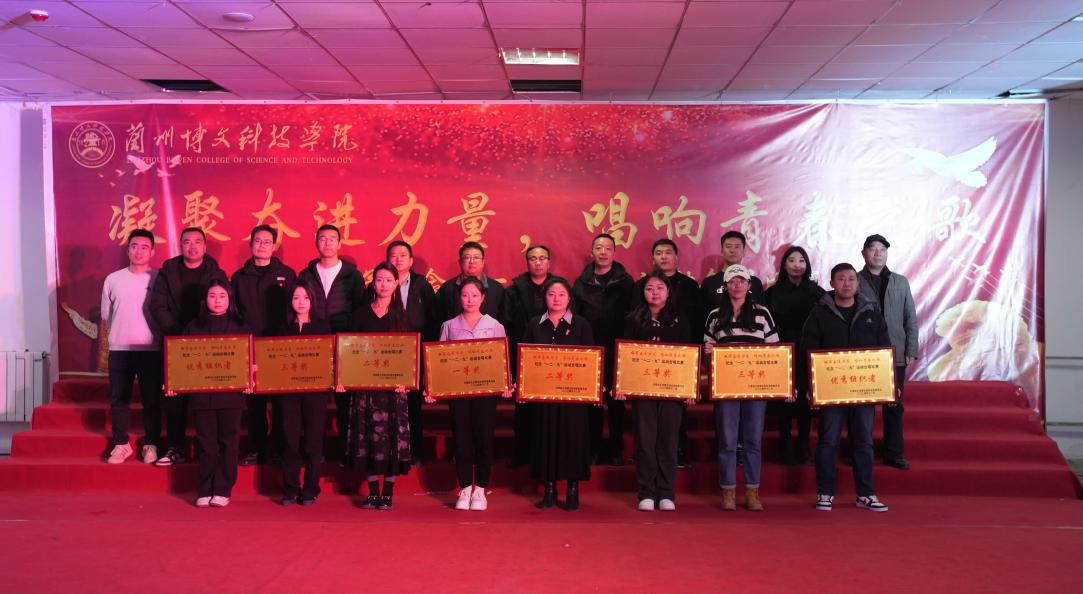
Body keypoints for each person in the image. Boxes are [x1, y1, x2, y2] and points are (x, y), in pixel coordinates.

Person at [803, 263, 892, 513]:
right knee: (828, 440)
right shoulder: (820, 312)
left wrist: (889, 384)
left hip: (864, 389)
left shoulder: (871, 312)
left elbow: (884, 349)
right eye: (841, 279)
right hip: (831, 390)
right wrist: (810, 385)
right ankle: (825, 492)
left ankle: (866, 493)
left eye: (851, 279)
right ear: (832, 283)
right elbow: (808, 350)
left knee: (863, 441)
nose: (847, 283)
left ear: (857, 283)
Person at [427, 278, 512, 511]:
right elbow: (439, 361)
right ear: (459, 297)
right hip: (460, 394)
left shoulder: (495, 325)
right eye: (465, 295)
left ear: (483, 297)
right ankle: (465, 488)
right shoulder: (449, 326)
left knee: (484, 438)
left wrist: (505, 382)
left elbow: (502, 359)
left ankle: (481, 489)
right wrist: (433, 387)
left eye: (475, 295)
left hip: (485, 393)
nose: (470, 300)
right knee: (461, 438)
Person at [703, 264, 780, 512]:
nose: (737, 285)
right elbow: (706, 352)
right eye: (732, 281)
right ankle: (727, 491)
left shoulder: (762, 314)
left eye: (741, 281)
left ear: (749, 285)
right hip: (726, 387)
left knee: (752, 441)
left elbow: (775, 351)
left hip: (755, 387)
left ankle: (752, 491)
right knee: (727, 441)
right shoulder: (715, 315)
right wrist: (708, 353)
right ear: (725, 286)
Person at [170, 279, 252, 507]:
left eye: (222, 296)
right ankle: (205, 488)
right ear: (204, 299)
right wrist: (174, 381)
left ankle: (223, 489)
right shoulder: (193, 326)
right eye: (212, 296)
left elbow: (250, 359)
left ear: (230, 299)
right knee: (207, 444)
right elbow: (182, 360)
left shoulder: (241, 326)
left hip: (231, 396)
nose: (217, 301)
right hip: (202, 397)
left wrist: (250, 377)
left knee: (228, 443)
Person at [150, 227, 227, 467]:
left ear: (205, 246)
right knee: (175, 398)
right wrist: (178, 334)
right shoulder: (168, 271)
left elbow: (222, 305)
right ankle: (176, 447)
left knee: (208, 397)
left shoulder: (216, 272)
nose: (192, 246)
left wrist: (201, 333)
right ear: (180, 245)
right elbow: (157, 307)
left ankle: (209, 448)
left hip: (207, 343)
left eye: (197, 242)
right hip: (175, 343)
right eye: (187, 242)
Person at [616, 271, 692, 512]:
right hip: (643, 391)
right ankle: (646, 492)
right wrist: (622, 384)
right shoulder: (634, 319)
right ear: (643, 292)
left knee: (668, 442)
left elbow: (689, 354)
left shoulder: (679, 320)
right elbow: (625, 355)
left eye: (660, 288)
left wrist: (689, 388)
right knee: (645, 442)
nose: (655, 293)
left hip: (672, 391)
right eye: (649, 288)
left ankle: (666, 492)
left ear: (668, 292)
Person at [521, 277, 595, 512]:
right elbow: (525, 359)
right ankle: (549, 489)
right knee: (546, 439)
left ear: (569, 298)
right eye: (551, 294)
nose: (556, 298)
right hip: (544, 396)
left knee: (573, 440)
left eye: (561, 294)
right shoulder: (535, 324)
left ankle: (572, 490)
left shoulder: (581, 324)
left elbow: (591, 360)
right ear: (544, 297)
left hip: (573, 397)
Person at [296, 224, 365, 461]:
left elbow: (359, 310)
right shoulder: (306, 275)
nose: (327, 243)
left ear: (340, 242)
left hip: (344, 344)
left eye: (332, 238)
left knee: (345, 399)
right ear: (316, 242)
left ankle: (346, 451)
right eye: (323, 238)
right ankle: (316, 452)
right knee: (315, 402)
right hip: (313, 344)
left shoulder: (353, 275)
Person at [349, 262, 413, 511]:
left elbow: (408, 354)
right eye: (379, 280)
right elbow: (350, 351)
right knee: (368, 438)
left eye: (388, 280)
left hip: (393, 390)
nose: (383, 285)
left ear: (396, 283)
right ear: (372, 283)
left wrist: (406, 380)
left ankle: (388, 493)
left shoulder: (402, 316)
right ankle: (373, 492)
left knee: (392, 439)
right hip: (365, 388)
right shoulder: (360, 314)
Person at [231, 224, 296, 467]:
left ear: (274, 246)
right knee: (254, 403)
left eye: (267, 242)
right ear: (251, 245)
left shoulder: (286, 274)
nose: (262, 246)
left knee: (280, 402)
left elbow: (294, 309)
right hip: (250, 347)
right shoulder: (239, 277)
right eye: (257, 241)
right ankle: (257, 448)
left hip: (279, 347)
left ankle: (279, 448)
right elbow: (234, 312)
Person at [632, 238, 700, 469]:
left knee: (675, 416)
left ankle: (678, 453)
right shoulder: (639, 286)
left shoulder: (690, 286)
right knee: (646, 425)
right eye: (658, 252)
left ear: (676, 257)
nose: (663, 256)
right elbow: (631, 336)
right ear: (653, 258)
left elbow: (695, 324)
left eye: (668, 252)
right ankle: (647, 462)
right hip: (645, 367)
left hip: (678, 361)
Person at [857, 234, 918, 471]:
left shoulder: (900, 282)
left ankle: (894, 453)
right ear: (864, 253)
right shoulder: (854, 280)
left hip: (895, 351)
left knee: (894, 404)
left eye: (882, 249)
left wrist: (911, 348)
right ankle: (861, 450)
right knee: (862, 405)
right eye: (872, 248)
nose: (877, 253)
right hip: (863, 352)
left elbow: (910, 317)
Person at [572, 233, 634, 466]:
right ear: (592, 252)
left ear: (614, 253)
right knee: (593, 402)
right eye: (599, 247)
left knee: (616, 402)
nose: (603, 252)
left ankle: (616, 449)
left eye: (608, 248)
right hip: (591, 351)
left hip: (618, 350)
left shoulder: (626, 282)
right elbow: (575, 316)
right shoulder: (581, 282)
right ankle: (593, 448)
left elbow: (632, 316)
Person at [102, 229, 163, 465]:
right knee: (119, 399)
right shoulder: (113, 279)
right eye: (134, 246)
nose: (139, 251)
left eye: (145, 247)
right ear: (128, 250)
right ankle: (121, 444)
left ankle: (151, 443)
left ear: (152, 251)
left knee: (152, 399)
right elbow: (107, 315)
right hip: (120, 349)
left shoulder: (159, 278)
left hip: (151, 349)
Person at [763, 246, 825, 466]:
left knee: (805, 399)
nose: (797, 265)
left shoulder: (817, 293)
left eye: (801, 260)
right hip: (782, 351)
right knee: (785, 398)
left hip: (809, 350)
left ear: (807, 265)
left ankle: (804, 446)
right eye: (791, 260)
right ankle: (785, 444)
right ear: (784, 265)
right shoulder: (772, 293)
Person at [273, 280, 331, 506]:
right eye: (296, 297)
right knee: (289, 439)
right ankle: (290, 488)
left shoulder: (322, 327)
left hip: (315, 393)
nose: (301, 302)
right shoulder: (281, 328)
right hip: (288, 392)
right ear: (290, 301)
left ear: (312, 301)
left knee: (313, 441)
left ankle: (310, 489)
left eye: (305, 298)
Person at [502, 244, 554, 467]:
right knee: (523, 409)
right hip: (522, 355)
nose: (538, 262)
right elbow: (507, 323)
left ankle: (546, 455)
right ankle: (522, 453)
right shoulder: (513, 290)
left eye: (542, 258)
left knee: (548, 410)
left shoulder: (559, 288)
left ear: (549, 262)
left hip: (552, 358)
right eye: (533, 258)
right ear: (527, 262)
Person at [386, 240, 437, 464]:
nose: (398, 259)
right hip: (388, 353)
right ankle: (391, 450)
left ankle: (415, 451)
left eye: (403, 255)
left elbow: (432, 319)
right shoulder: (380, 282)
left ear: (411, 260)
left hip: (414, 353)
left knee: (413, 405)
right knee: (389, 404)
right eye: (393, 255)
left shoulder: (422, 285)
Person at [700, 230, 765, 328]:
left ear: (744, 251)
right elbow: (702, 317)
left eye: (737, 247)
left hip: (750, 334)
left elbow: (762, 315)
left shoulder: (755, 283)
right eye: (728, 246)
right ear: (722, 251)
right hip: (718, 335)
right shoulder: (709, 283)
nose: (732, 250)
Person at [434, 241, 505, 322]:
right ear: (460, 262)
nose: (472, 261)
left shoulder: (497, 289)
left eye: (476, 257)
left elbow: (504, 321)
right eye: (467, 258)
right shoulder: (447, 289)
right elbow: (437, 320)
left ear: (483, 262)